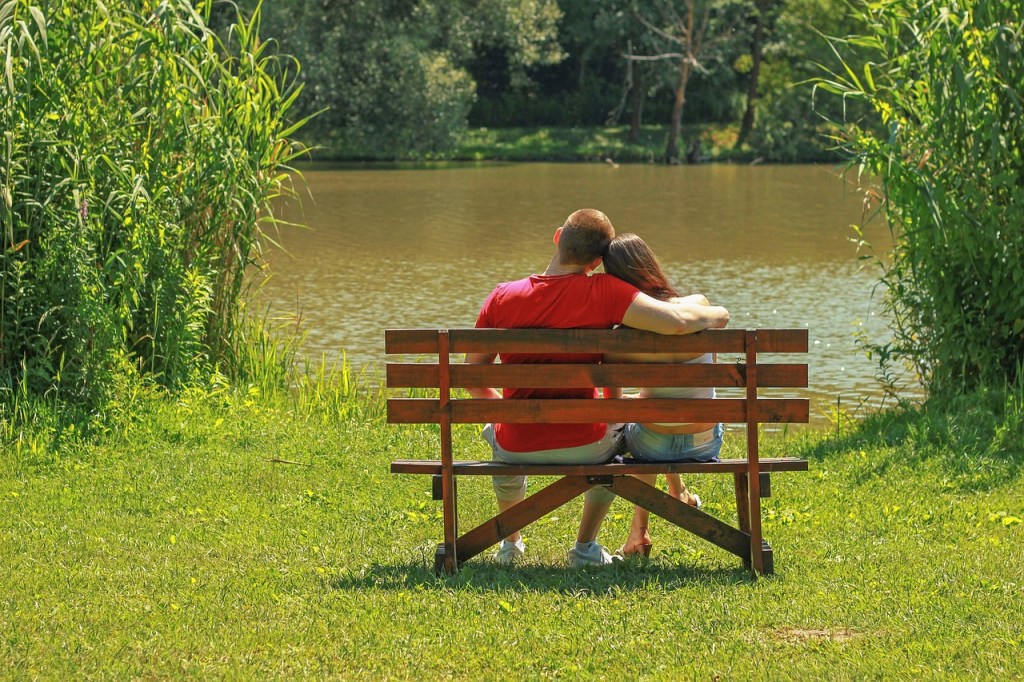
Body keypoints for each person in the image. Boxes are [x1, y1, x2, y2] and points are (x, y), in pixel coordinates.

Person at [466, 210, 729, 566]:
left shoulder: (501, 296)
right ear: (595, 262)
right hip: (588, 445)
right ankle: (585, 547)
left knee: (498, 434)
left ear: (558, 236)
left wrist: (508, 413)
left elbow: (473, 376)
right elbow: (678, 322)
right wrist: (718, 314)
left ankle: (510, 543)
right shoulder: (605, 290)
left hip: (517, 445)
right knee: (617, 441)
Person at [601, 232, 726, 558]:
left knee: (646, 430)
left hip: (652, 442)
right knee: (668, 415)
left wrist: (639, 404)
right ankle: (679, 495)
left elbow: (614, 408)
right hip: (705, 438)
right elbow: (718, 320)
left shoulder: (622, 336)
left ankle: (639, 533)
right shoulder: (697, 304)